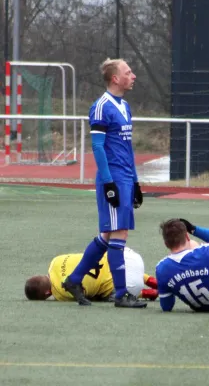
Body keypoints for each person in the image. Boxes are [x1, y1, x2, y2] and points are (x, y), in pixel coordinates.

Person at [62, 58, 146, 308]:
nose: (133, 76)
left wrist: (136, 181)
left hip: (125, 177)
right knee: (119, 233)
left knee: (110, 234)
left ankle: (74, 279)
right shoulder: (101, 107)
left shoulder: (125, 106)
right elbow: (97, 147)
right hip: (112, 178)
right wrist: (109, 183)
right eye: (128, 72)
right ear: (115, 78)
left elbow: (127, 147)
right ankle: (121, 295)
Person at [24, 247, 158, 302]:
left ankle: (147, 293)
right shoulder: (55, 261)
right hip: (126, 255)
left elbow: (85, 295)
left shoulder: (60, 294)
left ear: (47, 293)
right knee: (114, 266)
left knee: (106, 294)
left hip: (129, 284)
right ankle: (152, 280)